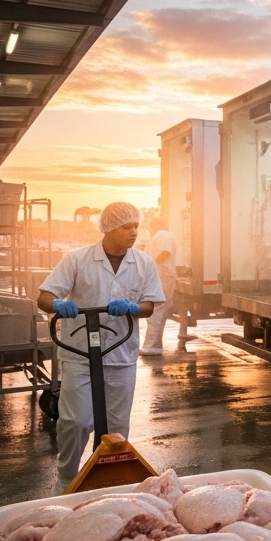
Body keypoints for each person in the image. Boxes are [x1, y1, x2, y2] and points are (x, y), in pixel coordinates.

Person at [38, 201, 165, 492]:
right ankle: (66, 480)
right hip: (80, 352)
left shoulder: (144, 262)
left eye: (136, 226)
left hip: (120, 354)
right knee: (76, 421)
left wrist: (133, 307)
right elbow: (44, 296)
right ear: (109, 228)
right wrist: (58, 304)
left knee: (118, 429)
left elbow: (149, 304)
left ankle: (113, 485)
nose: (134, 232)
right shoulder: (77, 259)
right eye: (127, 227)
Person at [141, 216, 176, 356]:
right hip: (159, 276)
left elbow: (166, 252)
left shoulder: (163, 235)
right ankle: (153, 345)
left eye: (150, 225)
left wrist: (152, 266)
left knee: (157, 309)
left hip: (162, 276)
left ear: (156, 225)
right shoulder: (159, 236)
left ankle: (152, 346)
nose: (149, 229)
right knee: (156, 310)